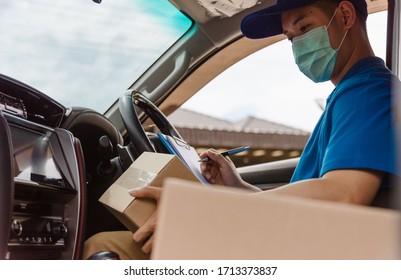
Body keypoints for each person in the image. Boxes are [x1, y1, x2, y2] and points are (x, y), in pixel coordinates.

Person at [82, 0, 399, 259]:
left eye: (304, 27)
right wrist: (238, 189)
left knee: (105, 248)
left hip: (305, 251)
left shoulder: (369, 92)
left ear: (344, 16)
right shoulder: (350, 94)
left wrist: (201, 210)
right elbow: (312, 195)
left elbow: (344, 194)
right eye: (291, 38)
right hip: (296, 242)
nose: (298, 45)